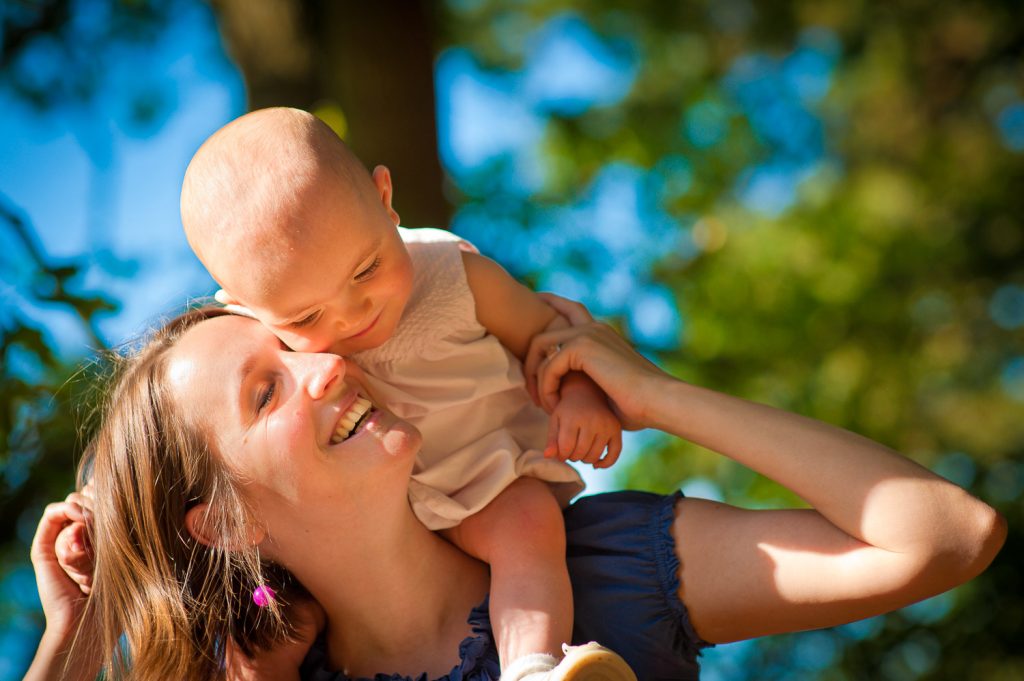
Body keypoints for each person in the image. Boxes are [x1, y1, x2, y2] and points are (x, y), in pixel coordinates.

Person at [26, 298, 1005, 681]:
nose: (324, 367)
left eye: (295, 345)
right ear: (223, 521)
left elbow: (946, 535)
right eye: (266, 389)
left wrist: (657, 396)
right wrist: (75, 633)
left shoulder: (610, 568)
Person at [178, 107, 626, 680]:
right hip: (383, 524)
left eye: (366, 270)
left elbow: (552, 336)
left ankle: (533, 668)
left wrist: (581, 396)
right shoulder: (279, 348)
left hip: (490, 475)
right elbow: (184, 429)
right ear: (242, 307)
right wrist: (97, 501)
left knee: (528, 527)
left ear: (385, 198)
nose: (353, 313)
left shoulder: (457, 278)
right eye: (309, 314)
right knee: (276, 610)